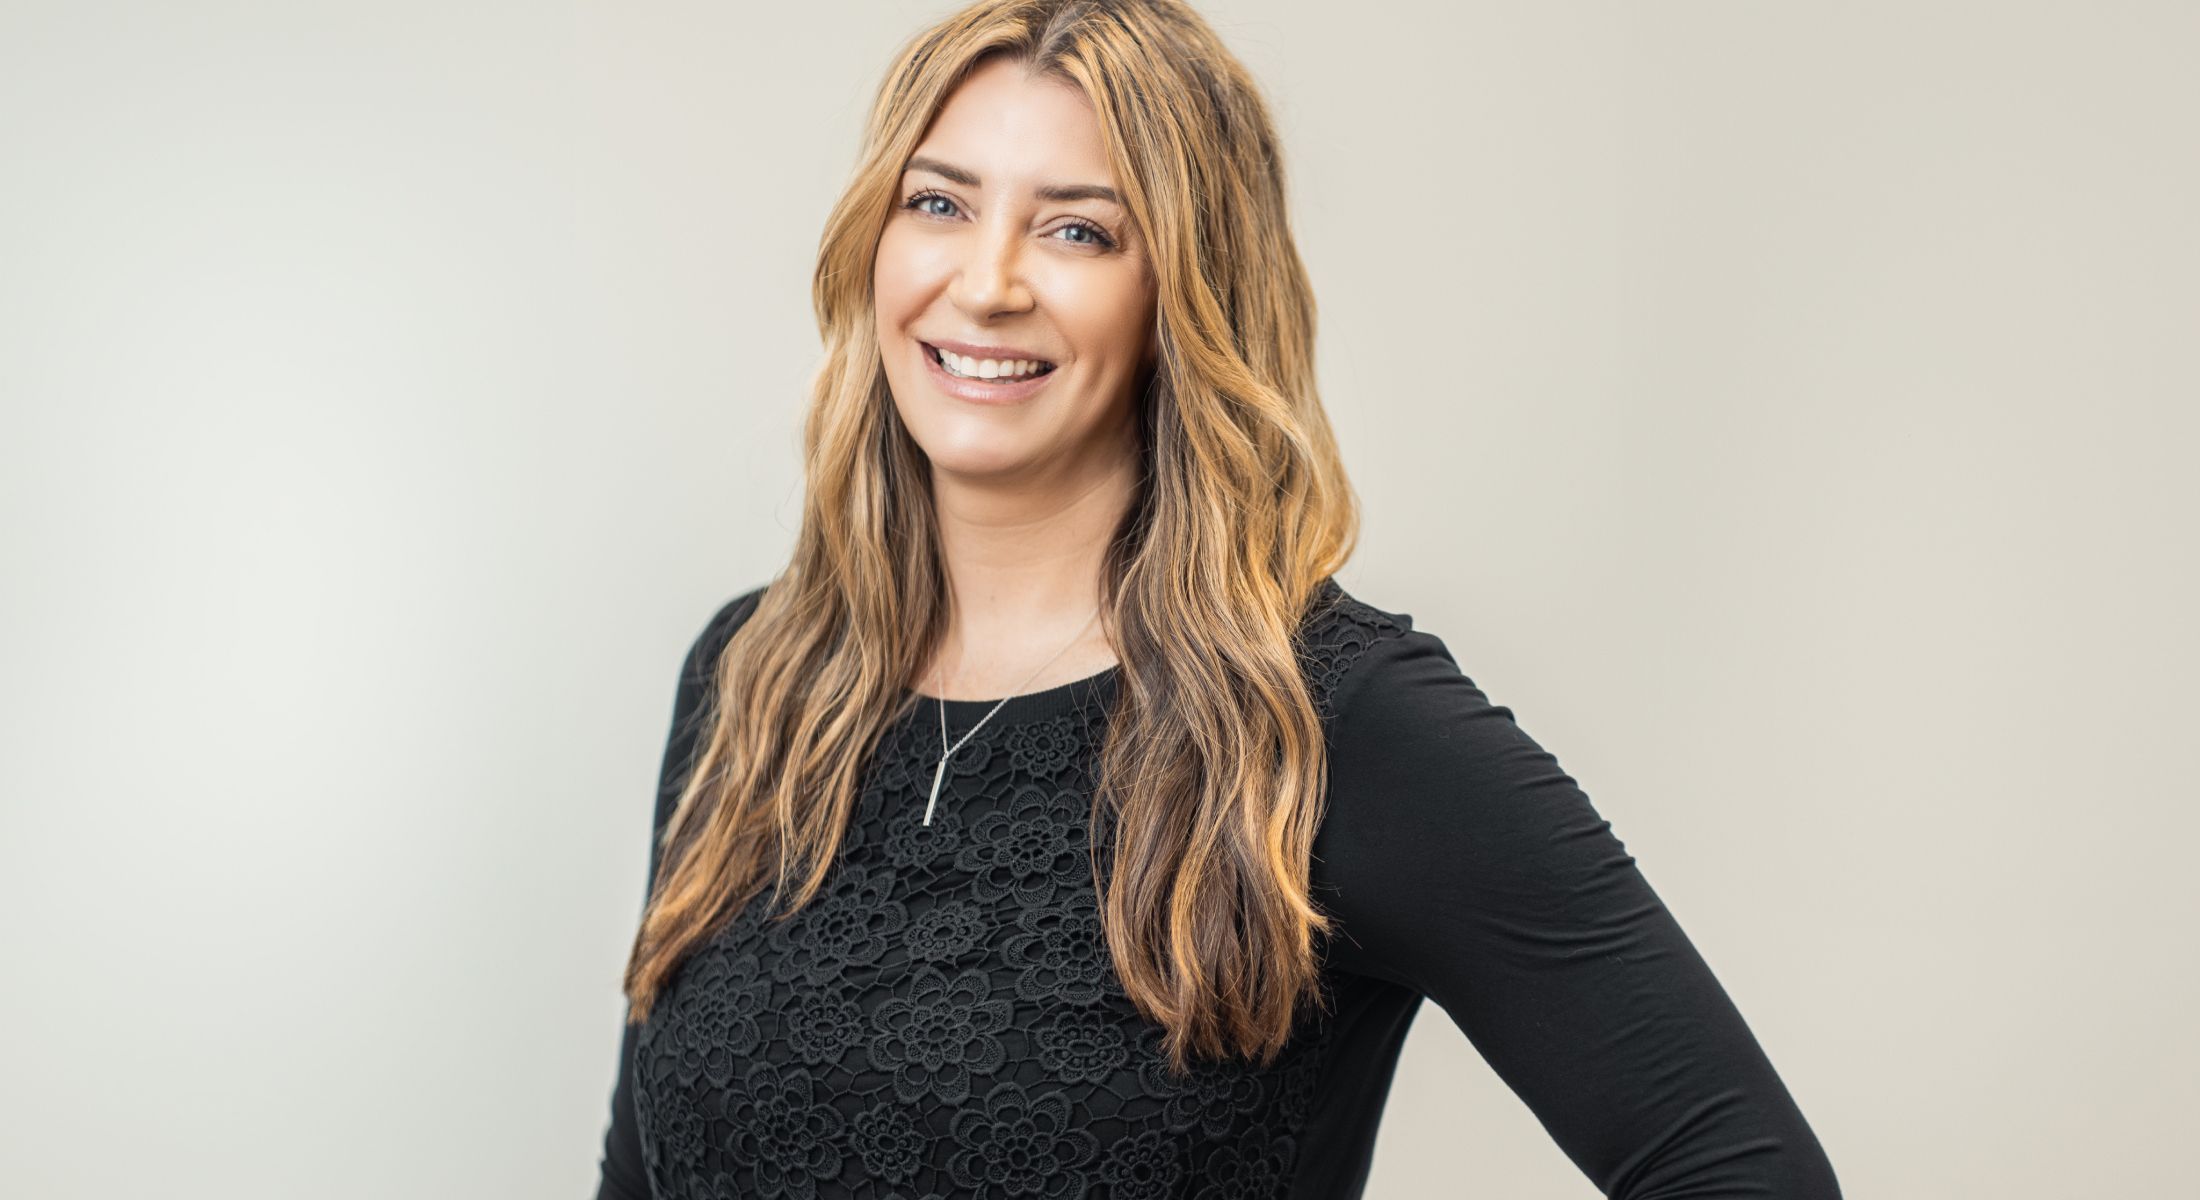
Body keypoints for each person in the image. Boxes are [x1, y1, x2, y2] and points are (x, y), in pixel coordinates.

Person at [593, 1, 1841, 1197]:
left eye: (1077, 230)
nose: (985, 282)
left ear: (1182, 296)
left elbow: (1739, 1171)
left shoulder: (1330, 721)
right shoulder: (754, 674)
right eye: (939, 203)